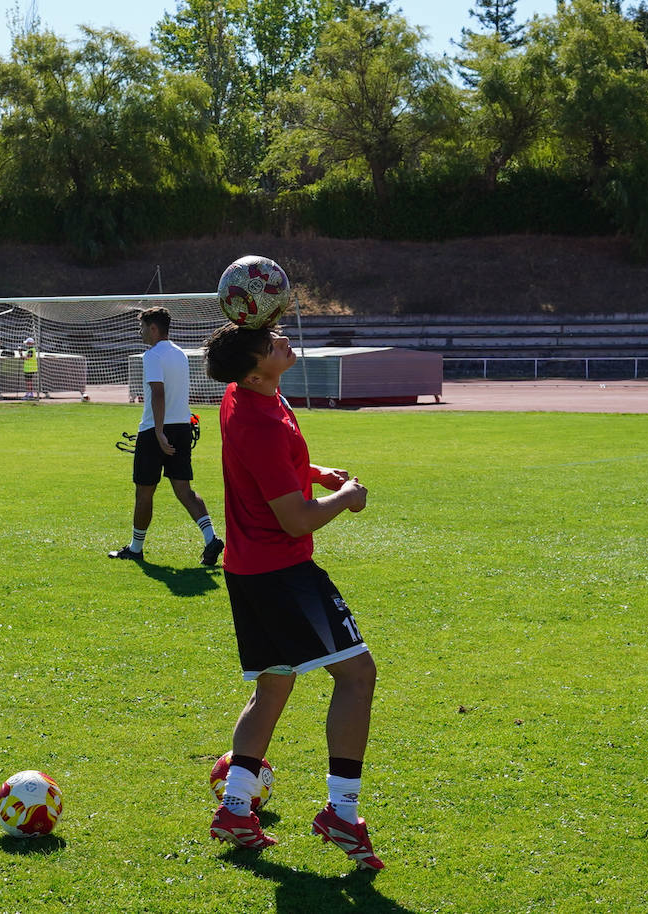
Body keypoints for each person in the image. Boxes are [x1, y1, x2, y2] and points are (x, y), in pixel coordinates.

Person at [200, 322, 383, 870]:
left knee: (273, 686)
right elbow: (295, 516)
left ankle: (235, 808)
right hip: (283, 575)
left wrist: (316, 470)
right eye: (271, 344)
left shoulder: (241, 392)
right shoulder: (258, 419)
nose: (283, 341)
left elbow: (272, 471)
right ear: (255, 369)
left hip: (248, 571)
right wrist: (346, 498)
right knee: (358, 675)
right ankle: (342, 814)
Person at [108, 308, 224, 566]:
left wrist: (159, 432)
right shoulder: (180, 354)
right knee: (184, 490)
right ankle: (211, 538)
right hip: (182, 427)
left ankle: (136, 548)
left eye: (142, 328)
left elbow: (158, 394)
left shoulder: (152, 356)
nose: (140, 333)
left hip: (155, 430)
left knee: (144, 492)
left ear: (153, 329)